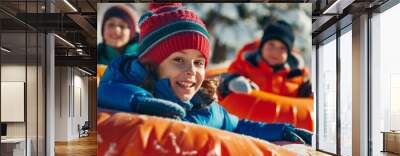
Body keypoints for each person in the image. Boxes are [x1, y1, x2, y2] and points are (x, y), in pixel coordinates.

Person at [98, 3, 312, 145]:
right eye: (178, 60)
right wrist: (139, 102)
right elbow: (107, 92)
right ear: (152, 65)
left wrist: (282, 130)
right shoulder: (127, 83)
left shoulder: (207, 107)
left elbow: (238, 125)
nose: (191, 70)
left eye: (198, 62)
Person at [220, 20, 312, 98]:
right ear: (261, 47)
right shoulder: (244, 66)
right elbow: (223, 80)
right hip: (246, 117)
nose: (275, 52)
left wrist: (308, 92)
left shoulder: (296, 77)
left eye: (282, 48)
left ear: (288, 53)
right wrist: (230, 82)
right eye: (271, 45)